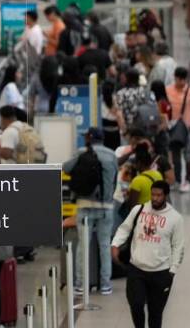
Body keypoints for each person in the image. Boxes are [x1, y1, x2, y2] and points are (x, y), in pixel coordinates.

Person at [111, 181, 184, 328]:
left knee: (155, 314)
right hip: (136, 269)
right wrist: (115, 244)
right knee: (136, 305)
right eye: (153, 194)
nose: (155, 198)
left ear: (165, 195)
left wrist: (173, 270)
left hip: (161, 272)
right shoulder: (139, 210)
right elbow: (124, 229)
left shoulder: (175, 218)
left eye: (159, 195)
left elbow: (178, 246)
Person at [63, 127, 118, 296]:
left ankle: (81, 284)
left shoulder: (81, 152)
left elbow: (66, 168)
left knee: (83, 246)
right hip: (106, 206)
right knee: (104, 245)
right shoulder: (112, 155)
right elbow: (114, 178)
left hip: (85, 205)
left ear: (89, 138)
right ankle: (106, 285)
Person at [166, 67, 190, 192]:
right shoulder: (168, 90)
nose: (180, 82)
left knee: (188, 155)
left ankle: (187, 179)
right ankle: (177, 179)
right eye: (178, 79)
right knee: (175, 155)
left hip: (188, 128)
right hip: (172, 127)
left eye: (183, 79)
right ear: (174, 77)